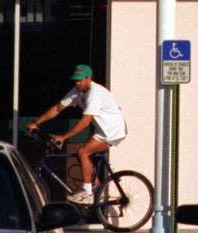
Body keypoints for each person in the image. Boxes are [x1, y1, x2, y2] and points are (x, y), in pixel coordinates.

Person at [26, 64, 127, 204]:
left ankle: (87, 191)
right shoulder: (76, 91)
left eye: (80, 80)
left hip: (113, 130)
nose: (77, 83)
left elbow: (85, 121)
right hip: (101, 130)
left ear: (89, 78)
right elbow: (57, 108)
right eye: (75, 80)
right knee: (83, 154)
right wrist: (37, 123)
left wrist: (64, 137)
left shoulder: (95, 93)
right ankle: (96, 187)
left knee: (83, 152)